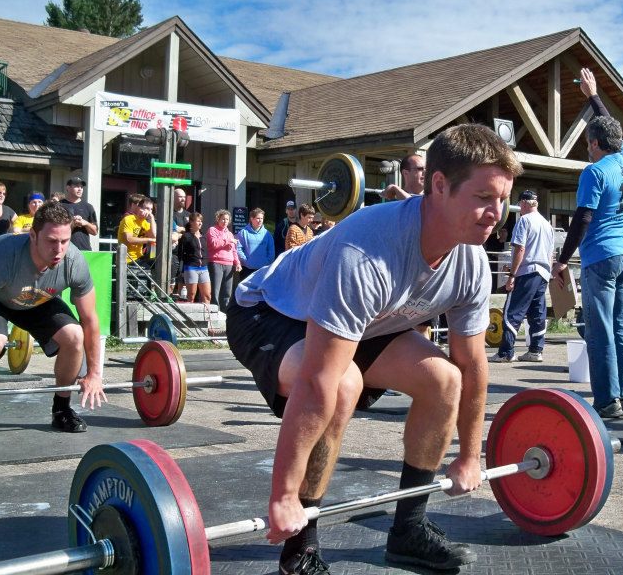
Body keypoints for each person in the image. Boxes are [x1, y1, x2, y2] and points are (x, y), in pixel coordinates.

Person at [226, 123, 521, 574]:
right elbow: (318, 380)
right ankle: (300, 547)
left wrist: (469, 456)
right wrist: (283, 495)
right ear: (438, 186)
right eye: (483, 198)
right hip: (270, 311)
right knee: (343, 384)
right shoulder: (368, 251)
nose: (495, 213)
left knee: (445, 380)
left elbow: (473, 364)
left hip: (367, 323)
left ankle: (409, 531)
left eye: (502, 199)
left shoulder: (472, 262)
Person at [0, 202, 107, 439]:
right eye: (52, 241)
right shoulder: (4, 254)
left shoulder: (74, 261)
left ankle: (62, 408)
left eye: (64, 241)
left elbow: (90, 319)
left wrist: (94, 374)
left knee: (75, 336)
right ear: (33, 235)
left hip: (36, 300)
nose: (59, 249)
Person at [552, 68, 623, 420]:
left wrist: (562, 259)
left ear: (598, 145)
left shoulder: (595, 172)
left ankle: (606, 401)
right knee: (621, 326)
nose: (588, 148)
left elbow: (583, 219)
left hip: (601, 256)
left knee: (600, 329)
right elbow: (610, 125)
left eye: (589, 143)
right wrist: (593, 96)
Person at [491, 190, 554, 363]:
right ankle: (535, 350)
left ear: (524, 203)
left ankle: (506, 352)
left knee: (512, 311)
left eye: (519, 205)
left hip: (527, 271)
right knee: (537, 312)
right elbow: (551, 254)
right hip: (543, 272)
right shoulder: (547, 224)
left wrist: (512, 274)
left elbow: (520, 249)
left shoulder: (524, 221)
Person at [117, 194, 157, 295]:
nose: (148, 211)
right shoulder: (129, 219)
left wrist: (152, 218)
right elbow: (129, 239)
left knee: (152, 269)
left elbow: (153, 235)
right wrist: (148, 240)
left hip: (138, 257)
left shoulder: (144, 222)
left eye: (151, 209)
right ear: (139, 207)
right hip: (127, 258)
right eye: (146, 208)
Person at [207, 209, 241, 311]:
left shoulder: (230, 234)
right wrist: (228, 241)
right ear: (218, 219)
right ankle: (214, 312)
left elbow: (234, 251)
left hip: (229, 264)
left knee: (227, 292)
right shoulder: (212, 230)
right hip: (216, 262)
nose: (225, 221)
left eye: (227, 219)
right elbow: (213, 244)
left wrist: (237, 263)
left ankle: (225, 313)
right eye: (223, 219)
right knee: (215, 290)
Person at [176, 212, 211, 305]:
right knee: (191, 295)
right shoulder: (186, 236)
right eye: (198, 221)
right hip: (191, 268)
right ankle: (188, 317)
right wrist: (182, 270)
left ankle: (206, 318)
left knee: (207, 295)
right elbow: (180, 254)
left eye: (201, 221)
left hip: (203, 268)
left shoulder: (203, 237)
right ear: (191, 222)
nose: (200, 223)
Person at [60, 176, 98, 251]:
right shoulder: (59, 205)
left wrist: (85, 223)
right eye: (77, 186)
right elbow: (57, 231)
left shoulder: (88, 207)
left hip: (84, 250)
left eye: (81, 187)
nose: (80, 189)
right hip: (64, 250)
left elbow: (95, 232)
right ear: (68, 188)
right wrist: (73, 224)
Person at [237, 207, 275, 281]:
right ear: (251, 218)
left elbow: (271, 251)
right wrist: (246, 261)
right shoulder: (243, 232)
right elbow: (238, 248)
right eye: (258, 218)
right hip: (247, 269)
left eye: (261, 218)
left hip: (263, 270)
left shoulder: (267, 234)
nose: (260, 220)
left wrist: (266, 262)